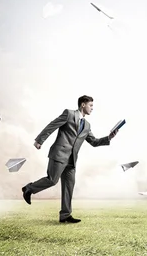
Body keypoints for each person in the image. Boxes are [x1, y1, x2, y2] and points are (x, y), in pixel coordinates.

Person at [21, 95, 119, 223]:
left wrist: (109, 137)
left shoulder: (87, 125)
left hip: (71, 160)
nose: (92, 108)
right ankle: (29, 188)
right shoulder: (68, 114)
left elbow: (94, 142)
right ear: (83, 104)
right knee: (52, 180)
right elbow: (52, 125)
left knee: (69, 186)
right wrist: (39, 140)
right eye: (91, 105)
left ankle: (65, 215)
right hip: (59, 154)